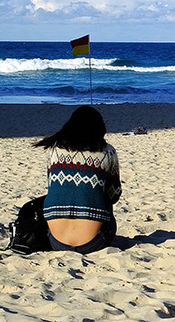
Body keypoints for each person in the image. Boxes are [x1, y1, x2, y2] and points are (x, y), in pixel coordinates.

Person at [34, 106, 122, 254]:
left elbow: (51, 185)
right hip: (95, 241)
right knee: (103, 197)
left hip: (55, 241)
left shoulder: (54, 150)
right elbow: (114, 195)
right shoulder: (108, 151)